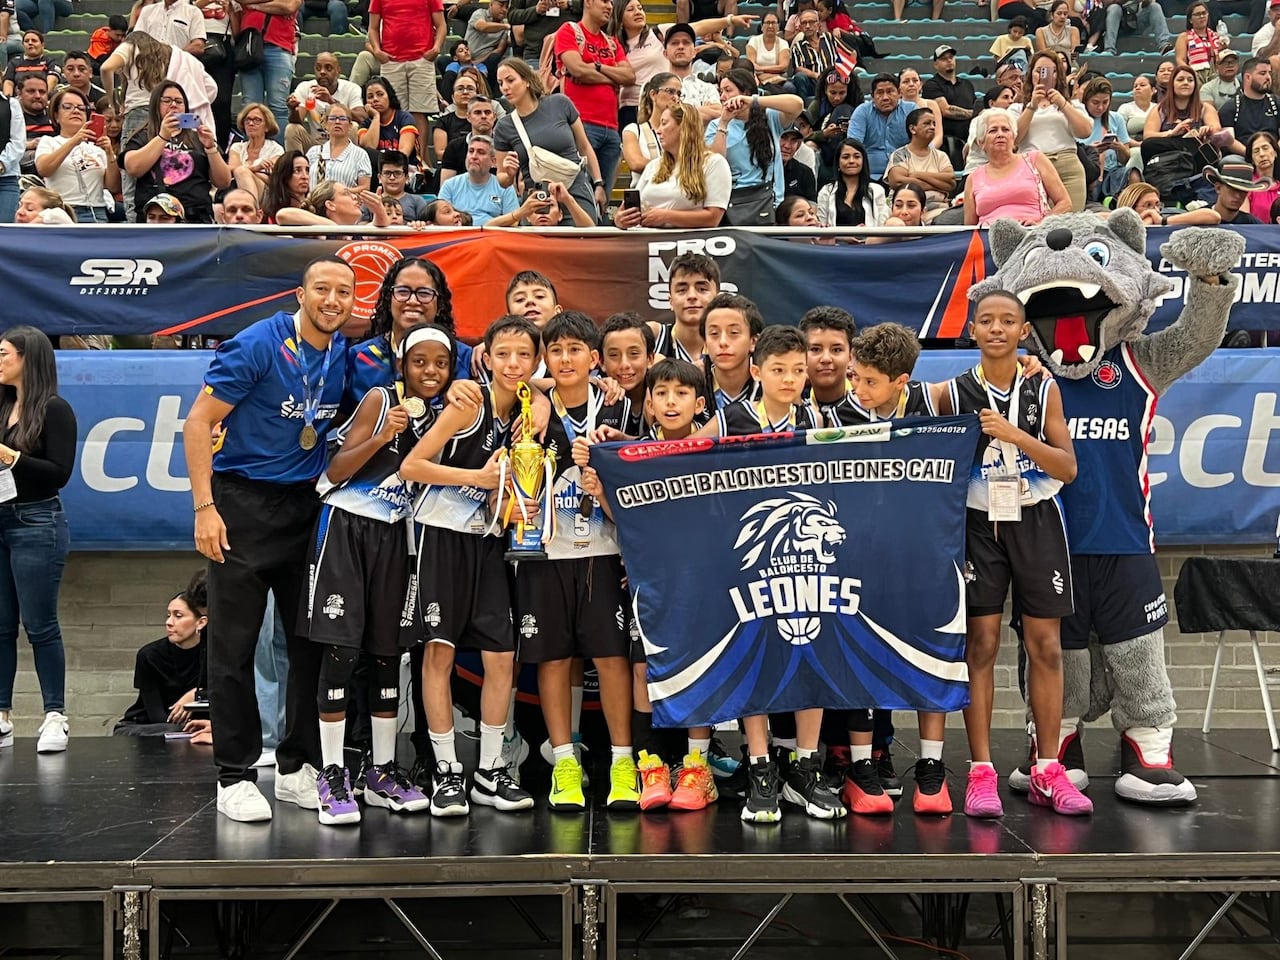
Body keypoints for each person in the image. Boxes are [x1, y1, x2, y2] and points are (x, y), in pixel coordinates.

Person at [181, 256, 357, 823]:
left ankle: (295, 766)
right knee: (233, 646)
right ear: (300, 294)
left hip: (306, 505)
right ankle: (234, 774)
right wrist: (205, 507)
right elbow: (198, 422)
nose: (333, 300)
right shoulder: (260, 343)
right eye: (322, 289)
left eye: (344, 292)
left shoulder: (341, 353)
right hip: (241, 503)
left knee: (307, 643)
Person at [690, 318, 843, 824]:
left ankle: (805, 765)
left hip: (806, 564)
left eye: (798, 370)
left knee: (811, 657)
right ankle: (760, 767)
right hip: (750, 563)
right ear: (757, 369)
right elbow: (681, 464)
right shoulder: (730, 419)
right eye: (779, 369)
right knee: (755, 657)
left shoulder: (817, 423)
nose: (790, 378)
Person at [947, 290, 1088, 819]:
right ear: (974, 330)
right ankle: (980, 772)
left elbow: (1067, 467)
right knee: (980, 644)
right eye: (987, 321)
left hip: (1035, 517)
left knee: (1045, 645)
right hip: (978, 523)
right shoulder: (953, 391)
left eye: (1009, 320)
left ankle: (1047, 769)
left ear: (1024, 330)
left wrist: (1012, 434)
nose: (998, 329)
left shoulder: (1042, 384)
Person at [306, 324, 452, 825]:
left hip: (397, 535)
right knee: (342, 650)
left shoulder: (446, 416)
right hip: (347, 528)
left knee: (389, 653)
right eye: (420, 362)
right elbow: (333, 471)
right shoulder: (378, 399)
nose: (430, 371)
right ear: (402, 365)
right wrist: (382, 435)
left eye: (440, 363)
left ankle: (382, 770)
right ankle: (331, 773)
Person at [400, 315, 542, 817]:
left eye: (524, 355)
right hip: (442, 536)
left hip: (489, 543)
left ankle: (489, 771)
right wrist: (480, 478)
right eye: (503, 353)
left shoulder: (526, 414)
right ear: (484, 355)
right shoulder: (468, 405)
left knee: (502, 658)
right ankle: (445, 771)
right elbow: (411, 466)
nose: (513, 364)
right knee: (439, 654)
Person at [508, 312, 638, 812]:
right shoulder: (531, 409)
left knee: (610, 659)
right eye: (555, 350)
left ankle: (621, 763)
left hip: (603, 554)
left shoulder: (620, 410)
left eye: (575, 350)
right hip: (545, 552)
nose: (565, 359)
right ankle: (565, 761)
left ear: (594, 359)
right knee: (554, 659)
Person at [0, 326, 74, 756]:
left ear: (29, 358)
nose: (0, 359)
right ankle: (3, 715)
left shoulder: (54, 409)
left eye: (5, 352)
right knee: (1, 626)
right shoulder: (3, 403)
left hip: (36, 521)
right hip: (1, 519)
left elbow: (58, 473)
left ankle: (54, 715)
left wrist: (10, 455)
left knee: (40, 625)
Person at [492, 57, 604, 223]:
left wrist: (599, 183)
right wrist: (509, 174)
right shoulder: (504, 126)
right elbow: (502, 178)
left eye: (510, 80)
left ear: (527, 81)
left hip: (574, 189)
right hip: (537, 198)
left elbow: (584, 146)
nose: (505, 88)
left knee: (582, 244)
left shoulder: (560, 103)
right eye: (501, 83)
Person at [553, 0, 634, 202]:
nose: (610, 6)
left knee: (603, 197)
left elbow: (630, 77)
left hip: (612, 128)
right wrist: (613, 78)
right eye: (604, 1)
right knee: (583, 194)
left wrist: (597, 67)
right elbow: (578, 70)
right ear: (588, 2)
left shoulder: (612, 42)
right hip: (581, 124)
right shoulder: (568, 31)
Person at [122, 80, 230, 223]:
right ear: (156, 105)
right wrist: (162, 137)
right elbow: (133, 168)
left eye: (179, 101)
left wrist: (210, 148)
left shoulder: (197, 137)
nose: (173, 105)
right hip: (156, 217)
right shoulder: (142, 136)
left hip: (195, 217)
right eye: (167, 100)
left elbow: (224, 181)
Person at [115, 575, 207, 735]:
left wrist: (195, 694)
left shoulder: (215, 653)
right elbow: (156, 715)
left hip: (200, 727)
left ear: (201, 622)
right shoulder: (149, 655)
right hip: (150, 727)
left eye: (178, 616)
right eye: (168, 615)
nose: (169, 622)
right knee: (174, 731)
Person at [706, 68, 803, 220]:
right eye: (720, 91)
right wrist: (724, 123)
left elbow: (797, 104)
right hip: (732, 203)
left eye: (728, 90)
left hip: (768, 202)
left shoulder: (770, 117)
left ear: (745, 92)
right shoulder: (715, 125)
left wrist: (753, 101)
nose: (722, 97)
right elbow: (715, 161)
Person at [616, 100, 731, 228]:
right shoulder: (654, 166)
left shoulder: (714, 163)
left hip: (688, 244)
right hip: (646, 241)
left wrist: (666, 216)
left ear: (684, 127)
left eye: (664, 123)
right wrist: (620, 219)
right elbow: (628, 210)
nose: (658, 130)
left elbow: (713, 218)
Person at [1010, 50, 1090, 210]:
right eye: (1039, 71)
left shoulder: (1072, 105)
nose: (1044, 76)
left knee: (1070, 222)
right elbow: (1014, 139)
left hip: (1068, 166)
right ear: (1031, 74)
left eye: (1052, 71)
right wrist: (1032, 106)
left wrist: (1063, 104)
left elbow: (1085, 131)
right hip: (1032, 166)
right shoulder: (1017, 108)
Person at [964, 106, 1071, 224]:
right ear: (981, 143)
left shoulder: (1035, 160)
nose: (1000, 134)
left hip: (1031, 236)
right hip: (988, 238)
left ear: (1013, 138)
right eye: (993, 130)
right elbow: (969, 228)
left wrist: (1041, 224)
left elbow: (1065, 203)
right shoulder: (973, 178)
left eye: (1005, 129)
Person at [368, 0, 446, 157]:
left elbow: (441, 25)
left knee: (420, 111)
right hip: (391, 61)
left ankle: (419, 160)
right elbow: (373, 28)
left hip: (422, 59)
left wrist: (436, 48)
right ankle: (396, 158)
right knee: (393, 112)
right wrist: (377, 50)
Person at [34, 86, 118, 222]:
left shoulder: (96, 148)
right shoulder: (48, 142)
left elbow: (113, 186)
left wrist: (109, 154)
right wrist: (74, 141)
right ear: (56, 115)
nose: (75, 111)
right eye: (67, 107)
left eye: (81, 108)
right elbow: (44, 169)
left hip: (97, 212)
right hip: (64, 212)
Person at [285, 53, 364, 155]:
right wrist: (293, 109)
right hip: (315, 145)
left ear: (338, 71)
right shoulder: (306, 87)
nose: (322, 72)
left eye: (328, 68)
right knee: (292, 129)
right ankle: (297, 167)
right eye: (318, 68)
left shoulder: (351, 88)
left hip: (341, 143)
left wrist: (332, 101)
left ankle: (348, 166)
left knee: (353, 126)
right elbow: (297, 120)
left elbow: (362, 117)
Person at [886, 107, 954, 216]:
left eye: (934, 124)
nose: (932, 127)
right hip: (905, 210)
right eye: (927, 123)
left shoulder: (941, 156)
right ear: (913, 129)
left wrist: (917, 175)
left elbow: (950, 182)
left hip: (939, 211)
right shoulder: (900, 155)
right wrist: (939, 185)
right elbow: (898, 182)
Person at [438, 133, 518, 224]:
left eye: (481, 152)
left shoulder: (504, 186)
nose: (474, 156)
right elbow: (438, 219)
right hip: (459, 234)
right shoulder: (450, 185)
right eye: (471, 151)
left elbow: (514, 221)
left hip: (493, 235)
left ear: (493, 162)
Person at [849, 73, 914, 182]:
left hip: (905, 175)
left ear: (899, 93)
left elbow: (923, 142)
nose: (885, 98)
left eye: (890, 92)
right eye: (879, 93)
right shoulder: (862, 111)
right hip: (869, 176)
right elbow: (853, 145)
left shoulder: (911, 110)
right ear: (872, 96)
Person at [621, 71, 679, 187]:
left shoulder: (682, 129)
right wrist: (676, 168)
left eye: (679, 93)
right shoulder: (633, 130)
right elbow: (636, 163)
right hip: (644, 195)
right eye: (670, 91)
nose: (676, 97)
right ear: (653, 94)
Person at [1077, 76, 1130, 200]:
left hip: (1112, 171)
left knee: (1132, 174)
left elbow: (1125, 158)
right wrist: (1090, 150)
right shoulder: (1079, 119)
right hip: (1089, 171)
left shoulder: (1116, 119)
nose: (1100, 107)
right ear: (1086, 100)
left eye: (1105, 102)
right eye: (1095, 102)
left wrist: (1120, 148)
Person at [816, 137, 888, 227]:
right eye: (846, 157)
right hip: (836, 240)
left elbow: (882, 225)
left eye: (857, 157)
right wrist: (843, 238)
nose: (851, 161)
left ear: (863, 161)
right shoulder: (826, 191)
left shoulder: (876, 190)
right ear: (838, 162)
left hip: (869, 240)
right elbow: (822, 227)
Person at [305, 102, 371, 191]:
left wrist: (341, 193)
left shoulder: (360, 155)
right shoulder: (313, 152)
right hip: (313, 203)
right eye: (332, 118)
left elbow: (365, 187)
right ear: (325, 123)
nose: (337, 122)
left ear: (350, 124)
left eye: (342, 119)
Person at [1220, 57, 1280, 150]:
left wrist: (1273, 153)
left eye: (1269, 73)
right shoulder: (1231, 107)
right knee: (1228, 160)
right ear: (1248, 77)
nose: (1268, 77)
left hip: (1274, 153)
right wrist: (1252, 155)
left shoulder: (1276, 103)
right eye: (1263, 73)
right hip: (1243, 156)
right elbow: (1229, 141)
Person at [356, 76, 418, 164]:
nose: (375, 99)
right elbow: (369, 149)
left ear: (389, 96)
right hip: (376, 171)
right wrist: (376, 117)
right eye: (370, 96)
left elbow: (403, 155)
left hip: (404, 169)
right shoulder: (365, 124)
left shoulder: (404, 118)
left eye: (380, 94)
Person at [276, 178, 390, 226]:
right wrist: (332, 227)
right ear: (330, 205)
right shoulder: (319, 234)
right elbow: (283, 215)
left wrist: (379, 210)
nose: (355, 197)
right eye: (346, 193)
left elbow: (380, 227)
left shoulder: (357, 232)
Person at [229, 101, 283, 200]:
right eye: (247, 120)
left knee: (241, 171)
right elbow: (231, 169)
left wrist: (245, 171)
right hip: (235, 191)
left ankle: (252, 210)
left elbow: (273, 179)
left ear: (267, 127)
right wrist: (256, 169)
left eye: (257, 120)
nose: (251, 123)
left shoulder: (276, 149)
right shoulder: (237, 147)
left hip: (267, 195)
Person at [440, 96, 498, 182]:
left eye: (487, 112)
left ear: (494, 116)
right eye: (477, 112)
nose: (483, 116)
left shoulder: (504, 147)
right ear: (468, 117)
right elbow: (446, 187)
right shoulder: (454, 147)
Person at [1112, 179, 1222, 222]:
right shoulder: (1118, 227)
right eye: (1148, 205)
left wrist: (1163, 221)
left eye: (1157, 204)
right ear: (1130, 208)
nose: (1155, 210)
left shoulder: (1169, 214)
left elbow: (1213, 216)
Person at [1205, 152, 1268, 221]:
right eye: (1233, 189)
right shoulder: (1196, 220)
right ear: (1218, 188)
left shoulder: (1254, 226)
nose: (1238, 196)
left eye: (1243, 190)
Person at [1176, 1, 1227, 84]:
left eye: (1204, 13)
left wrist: (1224, 47)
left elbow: (1223, 57)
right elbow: (1180, 60)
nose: (1202, 16)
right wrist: (1192, 75)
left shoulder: (1216, 36)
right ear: (1190, 20)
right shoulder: (1184, 37)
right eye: (1197, 14)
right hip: (1195, 75)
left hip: (1216, 75)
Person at [132, 0, 207, 56]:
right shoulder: (147, 10)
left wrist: (173, 56)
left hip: (179, 67)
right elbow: (137, 39)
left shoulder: (193, 12)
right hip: (148, 66)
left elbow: (198, 46)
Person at [2, 29, 58, 97]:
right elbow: (8, 83)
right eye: (26, 41)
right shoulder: (14, 62)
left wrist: (41, 96)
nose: (30, 43)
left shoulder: (50, 62)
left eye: (34, 41)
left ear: (42, 45)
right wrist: (8, 101)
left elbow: (52, 81)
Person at [262, 148, 308, 222]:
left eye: (307, 170)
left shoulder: (315, 209)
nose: (305, 176)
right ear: (284, 175)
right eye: (297, 170)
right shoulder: (272, 214)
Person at [746, 13, 791, 89]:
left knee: (789, 87)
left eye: (773, 23)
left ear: (778, 26)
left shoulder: (783, 43)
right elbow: (751, 65)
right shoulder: (754, 41)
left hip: (778, 77)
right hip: (757, 77)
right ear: (762, 26)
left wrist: (760, 68)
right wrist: (771, 69)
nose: (770, 26)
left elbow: (783, 66)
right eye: (767, 23)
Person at [1035, 1, 1080, 70]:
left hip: (1069, 65)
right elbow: (1043, 53)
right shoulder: (1040, 31)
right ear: (1052, 15)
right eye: (1059, 13)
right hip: (1048, 64)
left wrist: (1073, 54)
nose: (1062, 16)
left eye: (1065, 14)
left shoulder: (1074, 30)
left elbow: (1075, 53)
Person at [1118, 74, 1155, 138]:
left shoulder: (1159, 108)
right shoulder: (1125, 108)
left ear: (1152, 90)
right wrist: (1137, 144)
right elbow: (1119, 134)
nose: (1137, 88)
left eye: (1142, 85)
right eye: (1135, 86)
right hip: (1130, 146)